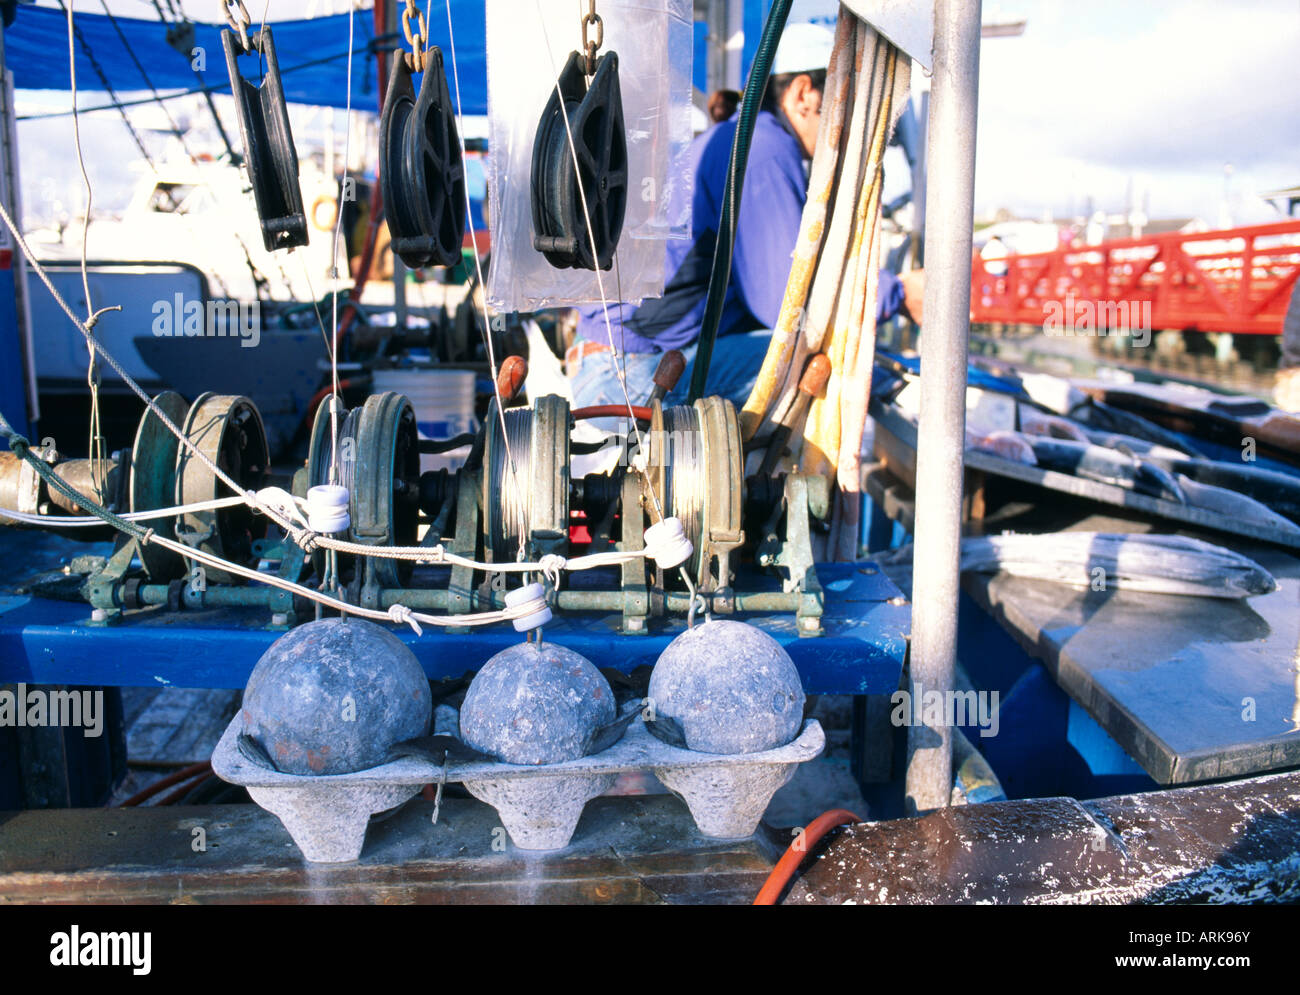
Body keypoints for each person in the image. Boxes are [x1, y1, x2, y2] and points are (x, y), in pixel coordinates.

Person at [566, 22, 904, 414]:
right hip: (632, 377)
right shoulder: (765, 149)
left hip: (609, 364)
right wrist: (895, 294)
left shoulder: (742, 136)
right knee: (848, 363)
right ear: (803, 95)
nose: (853, 129)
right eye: (849, 104)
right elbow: (785, 301)